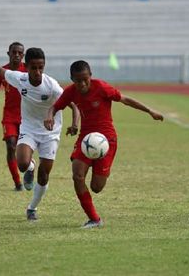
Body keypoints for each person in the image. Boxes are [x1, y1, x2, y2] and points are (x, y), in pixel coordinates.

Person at [0, 47, 79, 221]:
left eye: (41, 67)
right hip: (29, 129)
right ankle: (30, 167)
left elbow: (73, 105)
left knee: (44, 174)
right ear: (27, 67)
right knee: (22, 163)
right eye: (33, 68)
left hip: (50, 133)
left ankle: (32, 207)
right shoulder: (20, 79)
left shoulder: (51, 85)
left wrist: (75, 124)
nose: (37, 72)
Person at [45, 60, 164, 229]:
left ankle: (101, 169)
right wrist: (49, 116)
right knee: (77, 175)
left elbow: (125, 99)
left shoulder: (101, 87)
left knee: (96, 187)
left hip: (107, 140)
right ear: (72, 79)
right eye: (78, 80)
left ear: (90, 76)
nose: (82, 83)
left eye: (85, 79)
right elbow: (55, 107)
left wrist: (150, 111)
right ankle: (94, 219)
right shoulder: (70, 92)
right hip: (85, 139)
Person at [0, 42, 27, 191]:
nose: (16, 55)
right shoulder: (1, 72)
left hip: (27, 117)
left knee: (25, 149)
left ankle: (30, 169)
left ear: (23, 55)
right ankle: (17, 183)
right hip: (9, 115)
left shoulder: (28, 70)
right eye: (13, 52)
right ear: (8, 53)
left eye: (19, 53)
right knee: (11, 146)